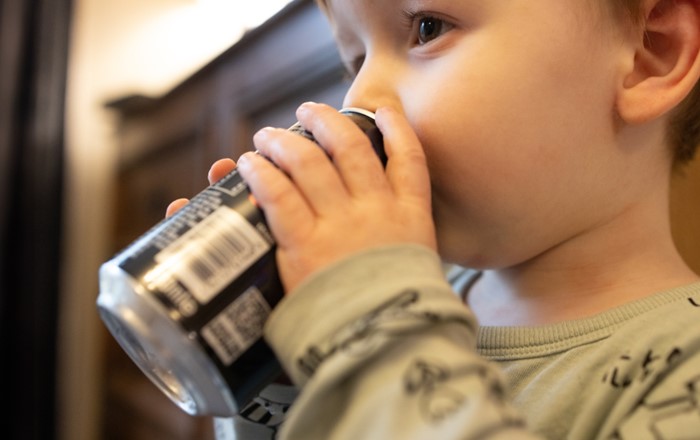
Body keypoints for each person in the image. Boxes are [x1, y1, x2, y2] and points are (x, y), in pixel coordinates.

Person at [167, 0, 700, 438]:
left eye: (427, 29)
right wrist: (285, 372)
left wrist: (367, 318)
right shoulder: (415, 288)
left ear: (651, 54)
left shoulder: (685, 370)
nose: (360, 99)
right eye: (354, 61)